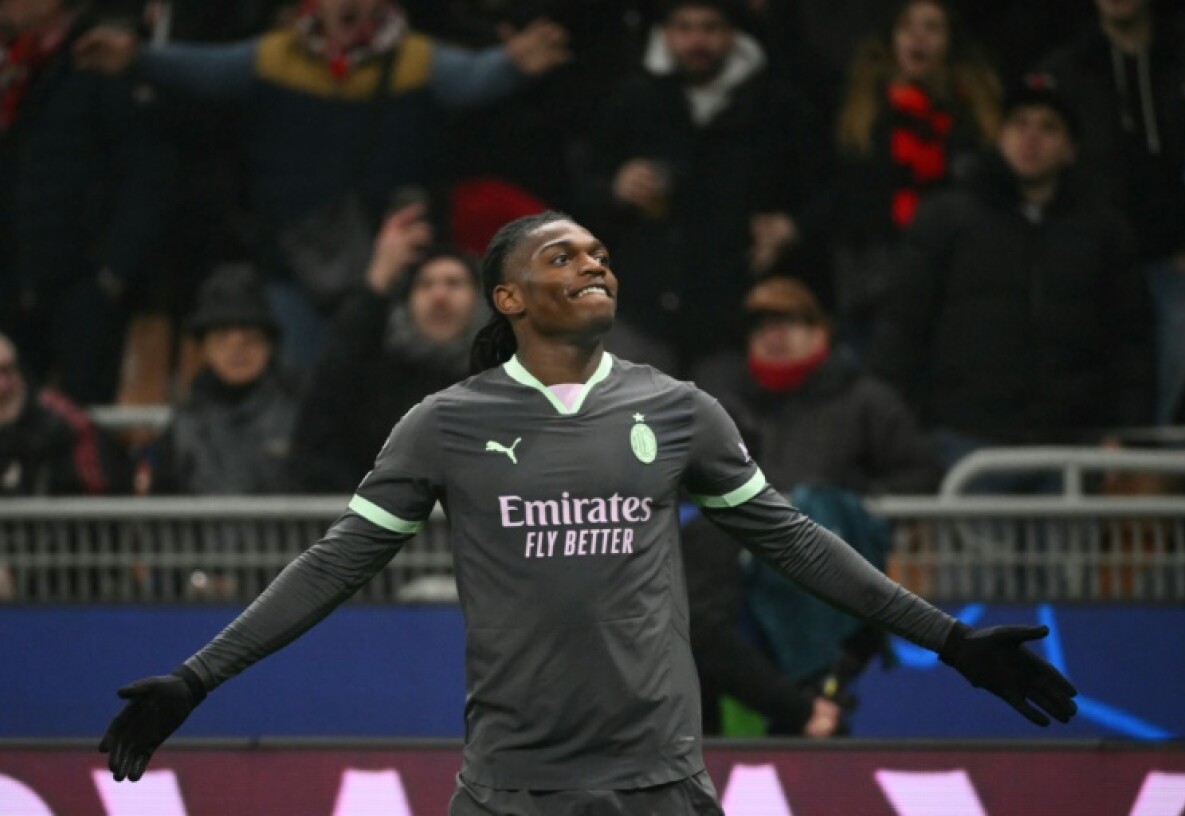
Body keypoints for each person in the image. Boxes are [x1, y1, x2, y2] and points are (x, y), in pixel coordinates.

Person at [99, 212, 1077, 813]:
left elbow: (795, 542)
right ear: (510, 296)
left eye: (602, 254)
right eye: (566, 256)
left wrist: (950, 642)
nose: (595, 264)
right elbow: (332, 565)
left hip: (659, 784)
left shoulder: (680, 409)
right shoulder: (445, 425)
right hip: (512, 790)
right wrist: (197, 679)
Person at [73, 0, 571, 372]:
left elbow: (474, 78)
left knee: (389, 387)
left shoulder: (414, 58)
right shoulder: (275, 57)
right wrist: (135, 58)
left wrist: (513, 65)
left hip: (392, 260)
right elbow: (198, 69)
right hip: (294, 263)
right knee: (302, 385)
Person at [684, 276, 941, 737]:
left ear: (821, 333)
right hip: (733, 579)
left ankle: (811, 726)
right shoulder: (724, 404)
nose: (774, 333)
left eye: (790, 322)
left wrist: (842, 509)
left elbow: (919, 472)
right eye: (762, 325)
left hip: (820, 577)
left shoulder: (864, 399)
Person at [871, 79, 1154, 482]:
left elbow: (1132, 340)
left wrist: (1127, 435)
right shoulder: (946, 217)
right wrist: (898, 437)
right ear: (999, 137)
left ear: (1071, 149)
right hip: (964, 442)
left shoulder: (1105, 230)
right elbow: (902, 327)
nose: (1031, 136)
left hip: (1072, 446)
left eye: (1048, 127)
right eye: (1019, 123)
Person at [577, 0, 816, 369]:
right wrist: (614, 187)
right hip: (641, 308)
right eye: (685, 28)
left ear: (732, 35)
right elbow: (579, 183)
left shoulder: (775, 106)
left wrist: (792, 227)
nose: (697, 41)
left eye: (710, 28)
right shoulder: (633, 99)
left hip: (736, 314)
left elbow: (824, 189)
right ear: (666, 34)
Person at [1035, 0, 1185, 425]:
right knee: (1094, 406)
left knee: (1181, 413)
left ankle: (1166, 487)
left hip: (1180, 267)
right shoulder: (1063, 71)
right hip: (1094, 270)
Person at [806, 0, 1001, 358]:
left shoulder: (975, 119)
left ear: (950, 42)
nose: (919, 38)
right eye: (908, 26)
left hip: (955, 287)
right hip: (874, 291)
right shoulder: (858, 113)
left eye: (931, 27)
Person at [0, 0, 171, 404]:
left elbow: (144, 172)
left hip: (83, 285)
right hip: (15, 280)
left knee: (89, 428)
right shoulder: (16, 68)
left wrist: (111, 273)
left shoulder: (104, 56)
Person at [292, 204, 483, 493]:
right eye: (425, 284)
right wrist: (376, 281)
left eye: (454, 283)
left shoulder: (502, 374)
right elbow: (324, 410)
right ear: (407, 304)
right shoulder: (381, 376)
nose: (440, 295)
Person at [143, 263, 299, 495]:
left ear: (269, 348)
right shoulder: (182, 427)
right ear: (205, 349)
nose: (237, 351)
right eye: (222, 339)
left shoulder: (300, 416)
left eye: (250, 340)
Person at [0, 331, 129, 497]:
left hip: (56, 515)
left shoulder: (58, 418)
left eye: (7, 371)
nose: (3, 386)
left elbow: (99, 482)